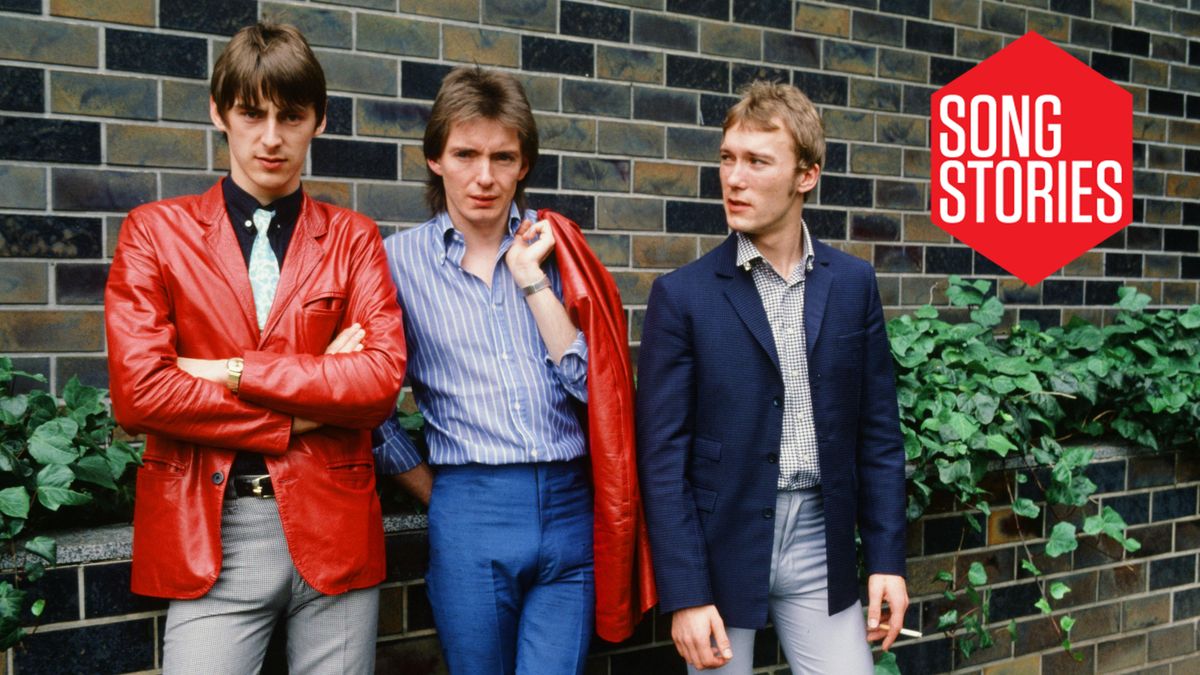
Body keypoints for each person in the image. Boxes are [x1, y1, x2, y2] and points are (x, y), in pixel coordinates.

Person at [104, 22, 405, 674]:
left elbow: (379, 382)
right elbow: (140, 393)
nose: (271, 137)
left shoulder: (354, 238)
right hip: (212, 528)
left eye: (291, 116)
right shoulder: (155, 233)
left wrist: (229, 370)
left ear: (318, 121)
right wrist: (316, 396)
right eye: (252, 113)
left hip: (336, 527)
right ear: (220, 111)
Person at [372, 66, 655, 674]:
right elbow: (368, 406)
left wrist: (532, 282)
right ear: (434, 159)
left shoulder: (559, 253)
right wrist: (433, 488)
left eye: (503, 157)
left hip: (570, 510)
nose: (484, 176)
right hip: (471, 510)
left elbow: (597, 391)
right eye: (466, 154)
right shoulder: (394, 264)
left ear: (523, 164)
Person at [636, 81, 909, 674]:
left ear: (806, 175)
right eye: (728, 159)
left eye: (758, 162)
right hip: (723, 539)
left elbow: (879, 433)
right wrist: (686, 593)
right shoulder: (682, 297)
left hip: (818, 535)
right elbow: (661, 459)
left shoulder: (852, 284)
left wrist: (887, 559)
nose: (734, 179)